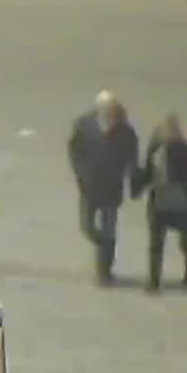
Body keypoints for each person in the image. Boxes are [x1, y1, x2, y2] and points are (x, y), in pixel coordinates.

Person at [66, 91, 142, 283]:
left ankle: (104, 271)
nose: (112, 114)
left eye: (114, 111)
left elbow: (132, 161)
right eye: (108, 110)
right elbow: (74, 149)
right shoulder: (84, 125)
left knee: (109, 230)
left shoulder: (127, 132)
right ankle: (105, 247)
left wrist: (135, 185)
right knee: (87, 227)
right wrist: (79, 171)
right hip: (89, 187)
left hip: (112, 189)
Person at [134, 113, 187, 291]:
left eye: (172, 130)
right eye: (166, 130)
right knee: (156, 243)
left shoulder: (185, 150)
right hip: (159, 201)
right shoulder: (154, 148)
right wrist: (138, 187)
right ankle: (153, 281)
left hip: (180, 202)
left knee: (185, 241)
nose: (168, 133)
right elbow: (147, 171)